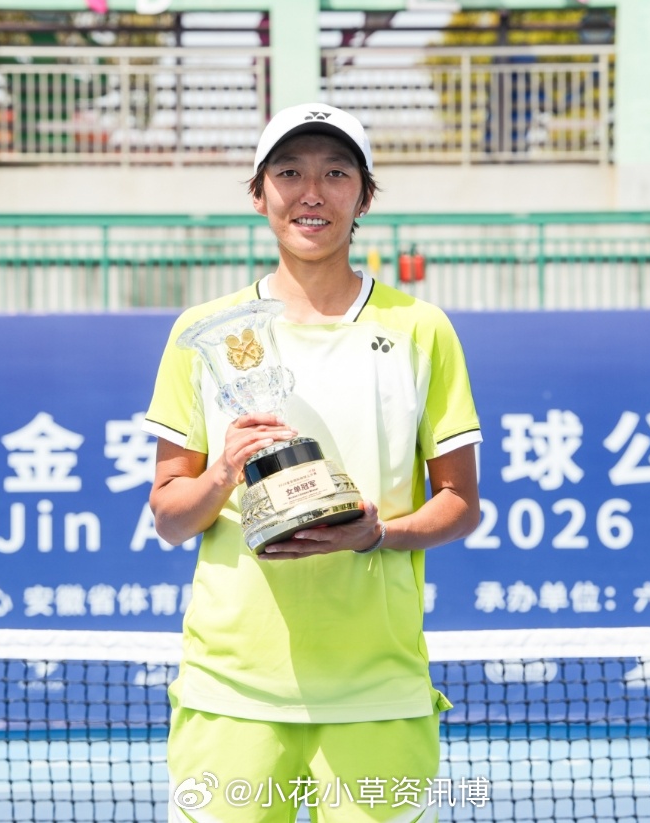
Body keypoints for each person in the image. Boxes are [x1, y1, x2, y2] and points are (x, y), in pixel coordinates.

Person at [142, 102, 482, 823]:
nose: (312, 193)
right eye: (290, 173)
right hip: (230, 691)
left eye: (336, 173)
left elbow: (460, 503)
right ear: (259, 193)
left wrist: (378, 534)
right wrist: (222, 473)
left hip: (377, 691)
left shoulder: (421, 329)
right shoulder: (202, 335)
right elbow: (170, 518)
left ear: (364, 195)